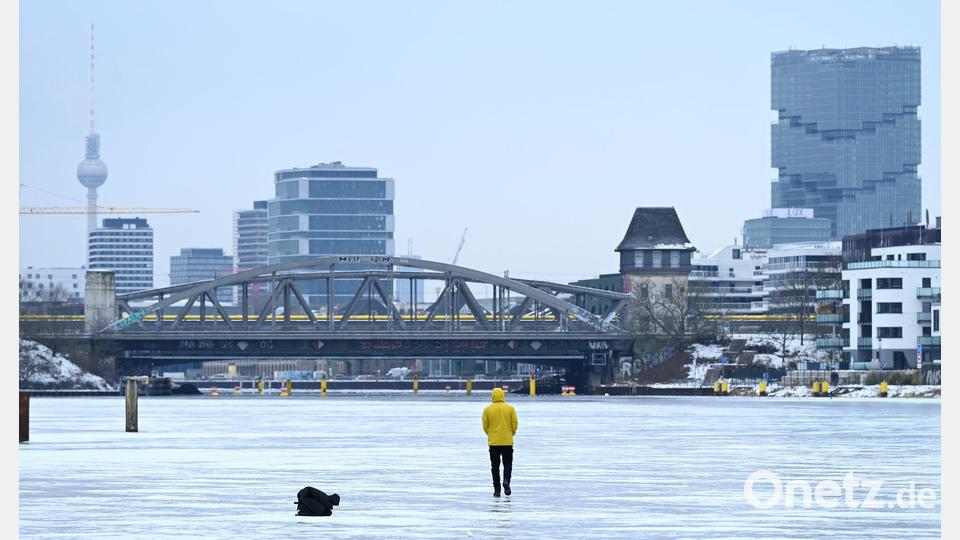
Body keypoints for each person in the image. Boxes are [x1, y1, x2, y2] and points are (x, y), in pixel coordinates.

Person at [482, 387, 518, 497]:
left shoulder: (487, 409)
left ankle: (497, 490)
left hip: (494, 443)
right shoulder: (510, 408)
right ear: (503, 395)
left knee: (495, 467)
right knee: (507, 464)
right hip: (507, 442)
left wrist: (491, 434)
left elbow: (485, 425)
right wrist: (510, 433)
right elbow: (515, 424)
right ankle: (506, 481)